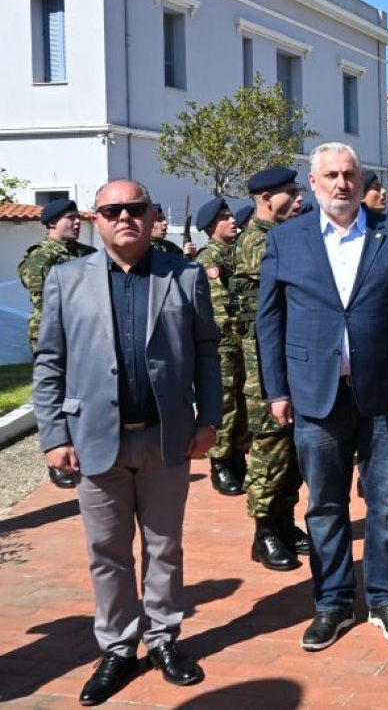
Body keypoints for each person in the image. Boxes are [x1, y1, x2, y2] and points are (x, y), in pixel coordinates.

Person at [32, 179, 221, 704]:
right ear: (96, 219)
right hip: (95, 439)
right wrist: (53, 435)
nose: (124, 217)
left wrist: (208, 420)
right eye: (112, 209)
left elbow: (207, 352)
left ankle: (163, 639)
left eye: (135, 208)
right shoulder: (66, 278)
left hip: (166, 437)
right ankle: (117, 647)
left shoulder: (183, 275)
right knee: (107, 551)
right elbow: (49, 362)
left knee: (164, 547)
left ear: (151, 215)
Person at [257, 142, 388, 651]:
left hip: (385, 391)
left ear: (362, 181)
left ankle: (385, 598)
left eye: (350, 174)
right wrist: (276, 389)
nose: (342, 183)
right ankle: (332, 603)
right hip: (315, 394)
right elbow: (269, 321)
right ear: (313, 183)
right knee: (325, 505)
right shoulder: (286, 239)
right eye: (331, 175)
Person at [232, 167, 308, 572]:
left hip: (291, 357)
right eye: (289, 193)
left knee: (292, 449)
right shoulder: (256, 242)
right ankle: (263, 532)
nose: (298, 199)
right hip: (265, 362)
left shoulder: (282, 236)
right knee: (270, 447)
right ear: (266, 199)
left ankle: (284, 522)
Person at [17, 197, 95, 489]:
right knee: (56, 393)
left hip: (86, 332)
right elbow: (48, 300)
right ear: (52, 223)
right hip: (54, 334)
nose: (77, 223)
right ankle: (58, 457)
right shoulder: (40, 257)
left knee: (85, 392)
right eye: (70, 218)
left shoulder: (88, 253)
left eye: (77, 218)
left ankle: (83, 449)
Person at [193, 197, 251, 496]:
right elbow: (220, 307)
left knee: (243, 401)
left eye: (231, 216)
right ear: (210, 226)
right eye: (225, 217)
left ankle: (237, 457)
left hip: (242, 341)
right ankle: (220, 463)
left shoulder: (237, 252)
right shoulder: (209, 257)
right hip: (224, 343)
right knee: (226, 403)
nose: (233, 221)